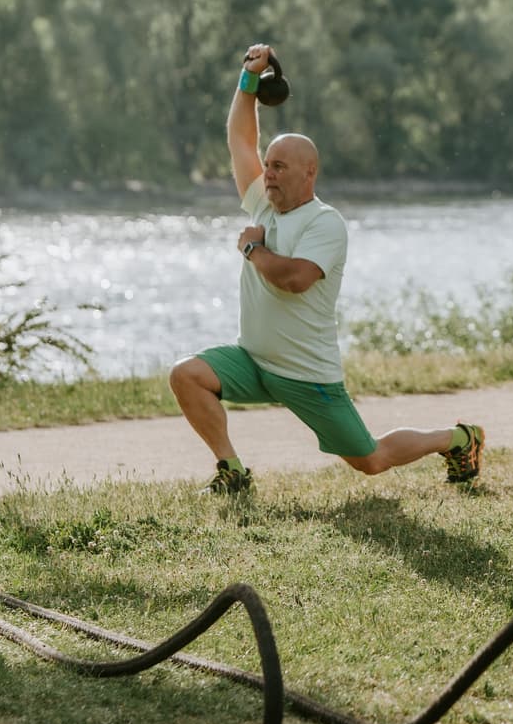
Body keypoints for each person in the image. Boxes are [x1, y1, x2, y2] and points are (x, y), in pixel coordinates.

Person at [169, 43, 485, 495]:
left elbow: (296, 279)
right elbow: (241, 140)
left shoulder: (325, 223)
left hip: (306, 374)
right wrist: (249, 82)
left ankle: (458, 439)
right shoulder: (264, 203)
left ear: (308, 172)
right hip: (254, 360)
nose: (269, 174)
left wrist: (252, 251)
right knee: (187, 374)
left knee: (371, 460)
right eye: (269, 166)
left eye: (279, 167)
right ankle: (232, 471)